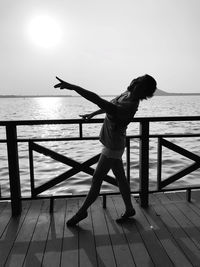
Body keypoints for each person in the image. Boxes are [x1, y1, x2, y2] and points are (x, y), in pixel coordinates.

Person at [54, 74, 157, 226]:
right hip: (113, 142)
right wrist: (92, 114)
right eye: (138, 82)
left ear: (145, 92)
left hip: (113, 146)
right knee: (120, 178)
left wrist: (74, 87)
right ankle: (129, 209)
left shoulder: (130, 106)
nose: (137, 86)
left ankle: (82, 212)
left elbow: (98, 100)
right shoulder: (126, 94)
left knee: (97, 179)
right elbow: (107, 105)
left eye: (142, 87)